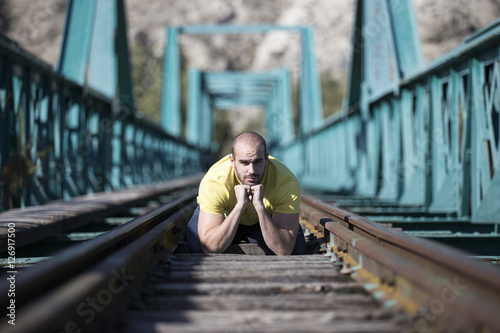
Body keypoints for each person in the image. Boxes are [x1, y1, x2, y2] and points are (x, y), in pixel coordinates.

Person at [187, 131, 306, 255]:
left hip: (262, 223)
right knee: (198, 245)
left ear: (266, 159)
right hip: (224, 220)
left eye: (257, 162)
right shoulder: (215, 181)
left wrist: (260, 207)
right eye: (244, 163)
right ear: (232, 161)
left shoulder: (285, 181)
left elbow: (284, 249)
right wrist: (239, 206)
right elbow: (210, 247)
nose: (252, 171)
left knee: (296, 248)